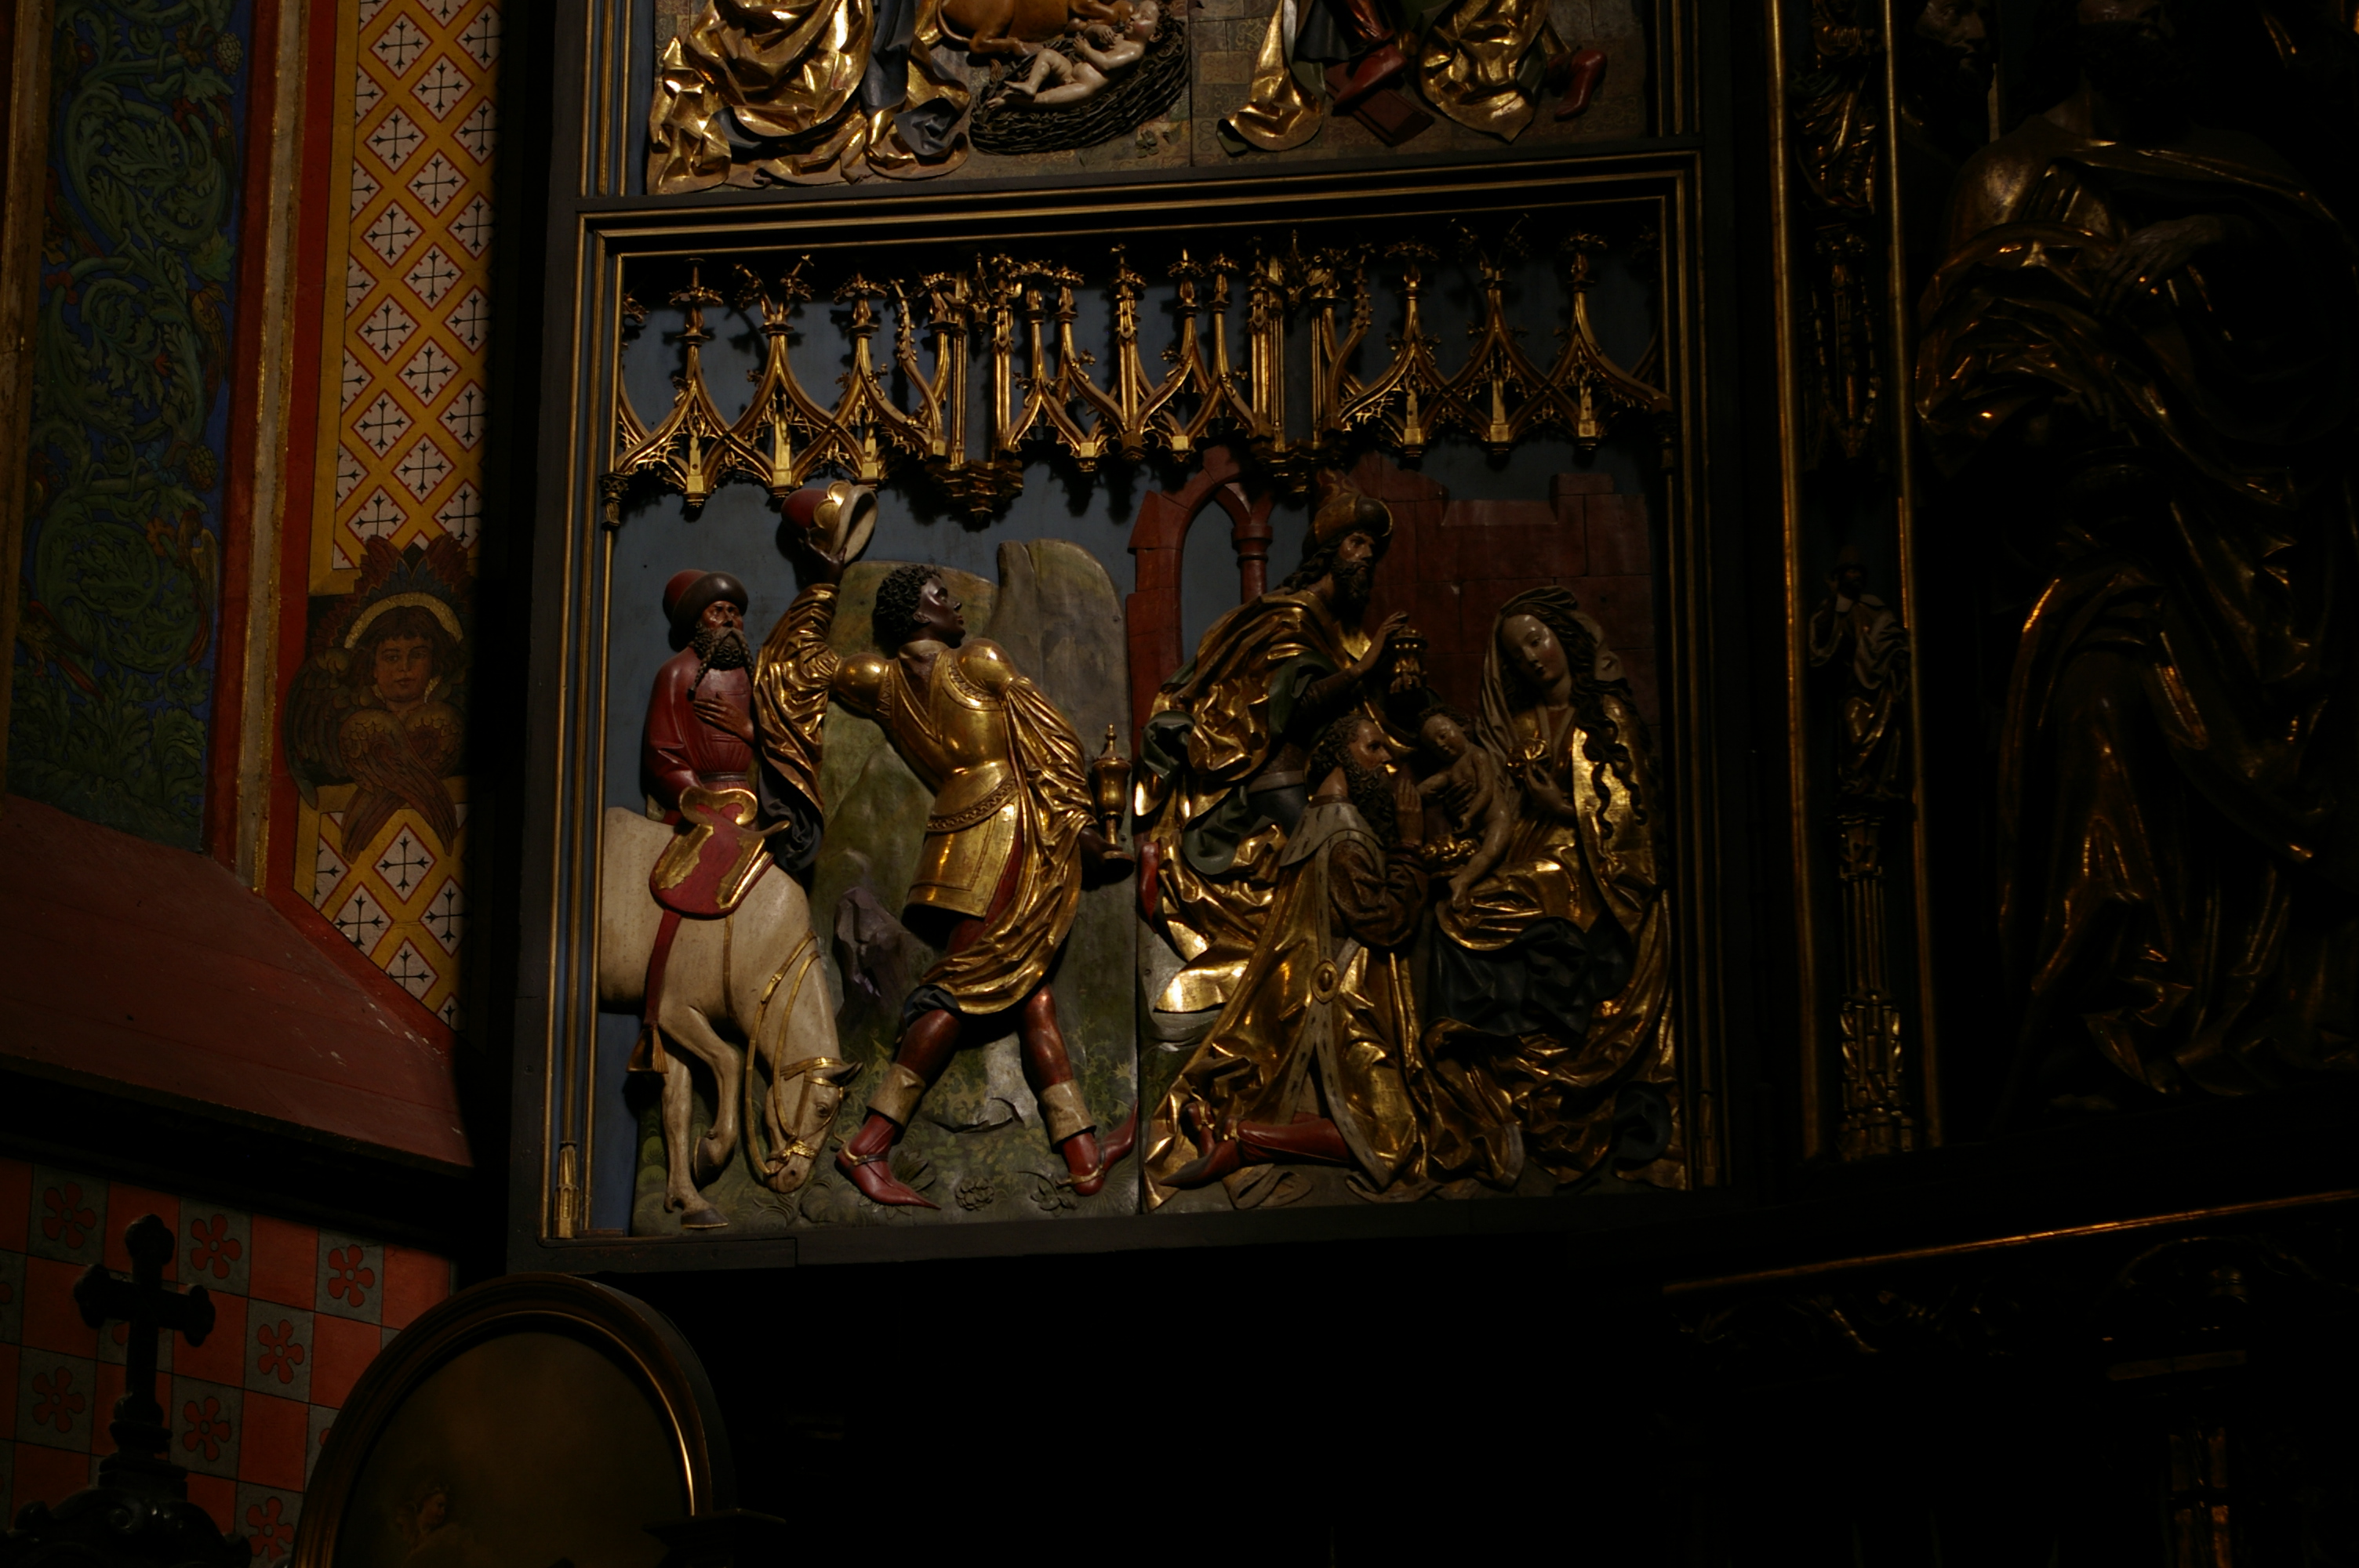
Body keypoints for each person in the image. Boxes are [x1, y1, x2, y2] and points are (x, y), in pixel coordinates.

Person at [1915, 0, 2359, 1118]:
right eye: (2130, 4)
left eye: (2171, 7)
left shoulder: (2243, 169)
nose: (2157, 21)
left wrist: (2215, 234)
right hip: (2104, 547)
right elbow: (1965, 380)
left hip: (2257, 529)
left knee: (2310, 736)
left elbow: (2328, 322)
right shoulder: (2010, 180)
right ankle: (2110, 1031)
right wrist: (2060, 416)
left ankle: (2289, 1025)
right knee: (2102, 712)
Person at [757, 552, 1136, 1207]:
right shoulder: (979, 661)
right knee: (964, 986)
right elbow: (1049, 745)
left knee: (1031, 994)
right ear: (916, 610)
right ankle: (870, 1145)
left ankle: (1082, 1154)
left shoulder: (876, 680)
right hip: (1007, 828)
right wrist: (1083, 831)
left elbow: (795, 667)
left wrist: (820, 584)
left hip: (951, 840)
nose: (955, 603)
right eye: (940, 594)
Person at [1411, 588, 1681, 1190]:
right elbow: (1498, 808)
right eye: (1519, 654)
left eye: (1537, 640)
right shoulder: (1524, 726)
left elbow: (1630, 819)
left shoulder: (1605, 716)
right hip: (1533, 853)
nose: (1532, 658)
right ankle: (1501, 1057)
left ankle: (1539, 1042)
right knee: (1460, 915)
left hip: (1590, 868)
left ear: (1564, 637)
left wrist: (1560, 805)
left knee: (1491, 910)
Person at [1133, 470, 1414, 1014]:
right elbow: (1288, 710)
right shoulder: (1287, 618)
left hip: (1311, 786)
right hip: (1268, 790)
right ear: (1330, 552)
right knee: (1337, 884)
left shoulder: (1335, 632)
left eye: (1373, 550)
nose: (1367, 558)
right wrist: (1364, 669)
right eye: (1357, 544)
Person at [1149, 712, 1426, 1199]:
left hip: (1314, 992)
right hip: (1341, 1002)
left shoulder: (1315, 823)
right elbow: (1382, 920)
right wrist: (1409, 846)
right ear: (1339, 756)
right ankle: (1245, 1141)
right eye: (1373, 747)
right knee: (1394, 1135)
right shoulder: (1345, 835)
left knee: (1332, 1111)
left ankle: (1222, 1124)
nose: (1386, 761)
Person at [1414, 705, 1511, 910]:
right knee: (1483, 854)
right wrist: (1419, 793)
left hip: (1497, 819)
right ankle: (1465, 881)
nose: (1441, 745)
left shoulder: (1478, 756)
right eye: (1433, 746)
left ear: (1462, 727)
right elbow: (1428, 786)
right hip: (1474, 830)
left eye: (1443, 735)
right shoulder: (1449, 770)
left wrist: (1469, 814)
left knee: (1490, 853)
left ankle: (1462, 881)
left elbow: (1486, 790)